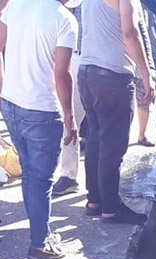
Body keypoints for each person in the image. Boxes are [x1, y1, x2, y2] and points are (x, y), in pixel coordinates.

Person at [0, 0, 78, 259]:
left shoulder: (16, 5)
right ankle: (39, 244)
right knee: (40, 179)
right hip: (41, 111)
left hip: (11, 105)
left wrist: (4, 87)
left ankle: (41, 234)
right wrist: (70, 117)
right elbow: (62, 75)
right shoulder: (65, 19)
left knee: (31, 175)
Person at [79, 0, 155, 224]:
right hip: (112, 76)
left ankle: (94, 201)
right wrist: (146, 73)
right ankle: (111, 208)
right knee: (113, 146)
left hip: (86, 74)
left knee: (94, 140)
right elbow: (129, 33)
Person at [52, 3, 86, 196]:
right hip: (69, 56)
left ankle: (103, 187)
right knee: (69, 118)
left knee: (75, 118)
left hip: (91, 58)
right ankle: (68, 175)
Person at [133, 7, 156, 148]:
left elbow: (144, 34)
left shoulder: (139, 5)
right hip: (119, 58)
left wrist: (150, 68)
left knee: (145, 95)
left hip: (137, 56)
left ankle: (141, 135)